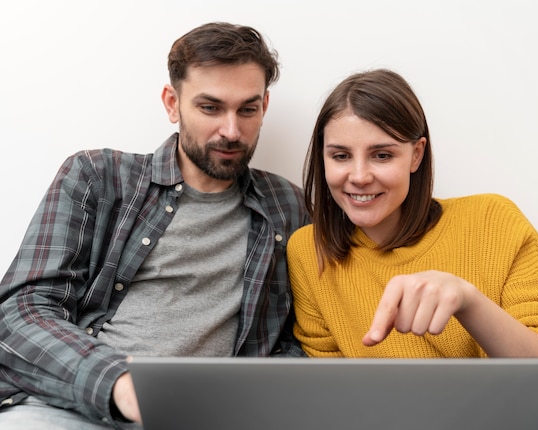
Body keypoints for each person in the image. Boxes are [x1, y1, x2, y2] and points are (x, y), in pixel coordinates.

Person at [0, 22, 309, 429]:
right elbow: (19, 315)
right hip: (75, 408)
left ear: (264, 106)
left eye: (247, 109)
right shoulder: (98, 176)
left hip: (209, 415)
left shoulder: (287, 205)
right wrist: (123, 385)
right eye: (210, 107)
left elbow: (295, 337)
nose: (231, 131)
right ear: (172, 103)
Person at [286, 68, 538, 428]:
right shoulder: (309, 253)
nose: (358, 176)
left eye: (381, 155)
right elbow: (340, 397)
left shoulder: (492, 219)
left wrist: (467, 300)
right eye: (340, 156)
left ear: (416, 155)